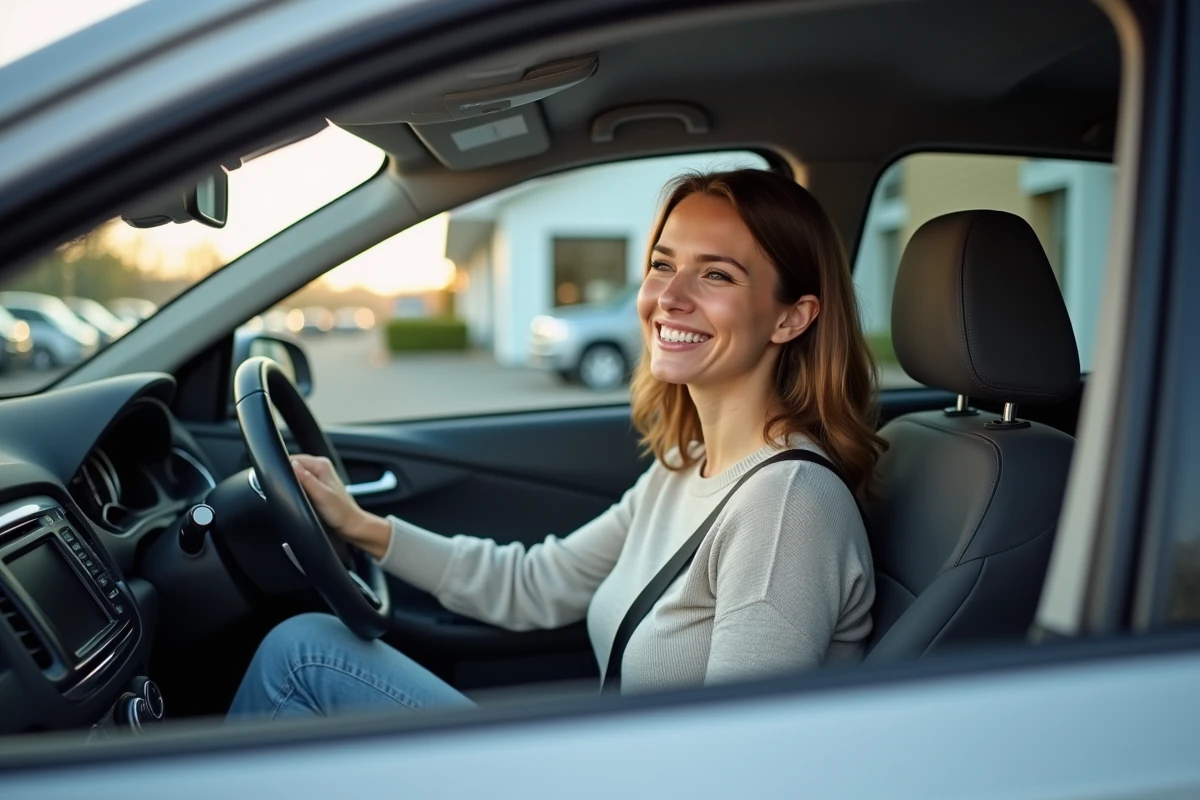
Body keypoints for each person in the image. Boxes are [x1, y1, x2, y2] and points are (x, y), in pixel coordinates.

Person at [229, 168, 885, 720]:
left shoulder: (786, 504)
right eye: (662, 266)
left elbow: (739, 762)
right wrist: (362, 527)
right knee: (305, 647)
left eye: (716, 276)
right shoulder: (684, 468)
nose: (667, 297)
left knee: (303, 659)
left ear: (791, 316)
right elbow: (535, 583)